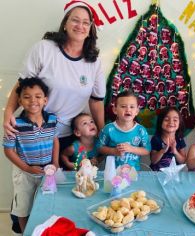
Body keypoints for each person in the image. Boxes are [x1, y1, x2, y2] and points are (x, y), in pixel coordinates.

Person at [3, 0, 106, 156]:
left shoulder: (94, 62)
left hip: (69, 136)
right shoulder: (44, 49)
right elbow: (22, 85)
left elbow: (96, 100)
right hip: (34, 132)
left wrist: (102, 133)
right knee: (33, 177)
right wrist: (7, 115)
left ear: (90, 29)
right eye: (75, 20)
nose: (80, 26)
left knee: (68, 179)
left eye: (86, 22)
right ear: (65, 23)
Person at [3, 78, 59, 233]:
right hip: (24, 174)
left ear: (45, 100)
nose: (33, 100)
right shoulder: (14, 124)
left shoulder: (53, 119)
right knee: (23, 208)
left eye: (38, 96)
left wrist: (56, 163)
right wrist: (27, 167)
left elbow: (55, 140)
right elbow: (8, 151)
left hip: (47, 172)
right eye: (27, 97)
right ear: (20, 101)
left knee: (46, 204)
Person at [99, 91, 151, 170]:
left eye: (132, 107)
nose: (128, 109)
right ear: (115, 110)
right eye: (123, 106)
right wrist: (114, 151)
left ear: (137, 111)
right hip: (112, 173)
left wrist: (131, 149)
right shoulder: (108, 129)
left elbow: (147, 150)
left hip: (134, 173)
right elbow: (99, 147)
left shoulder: (141, 130)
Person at [150, 107, 187, 171]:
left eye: (175, 120)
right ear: (160, 122)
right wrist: (163, 150)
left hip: (173, 176)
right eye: (166, 119)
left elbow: (183, 161)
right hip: (157, 175)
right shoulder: (156, 139)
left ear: (179, 123)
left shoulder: (180, 139)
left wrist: (175, 151)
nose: (171, 122)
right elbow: (153, 161)